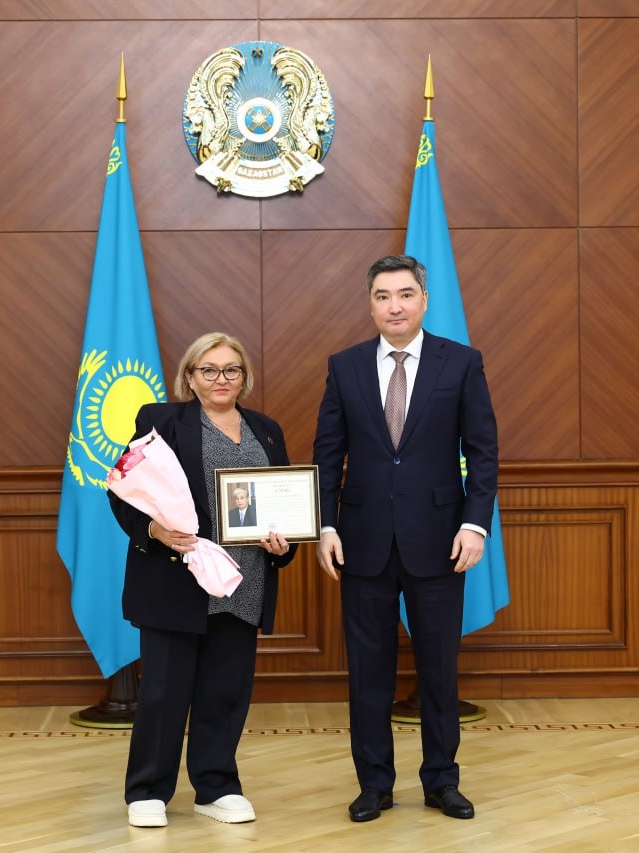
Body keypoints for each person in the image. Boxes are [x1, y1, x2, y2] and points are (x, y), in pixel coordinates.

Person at [312, 255, 498, 823]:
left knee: (439, 670)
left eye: (405, 294)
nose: (394, 306)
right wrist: (325, 525)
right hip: (361, 542)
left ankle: (442, 781)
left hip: (440, 541)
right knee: (368, 673)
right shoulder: (344, 366)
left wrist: (474, 524)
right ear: (370, 305)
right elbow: (328, 454)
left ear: (424, 300)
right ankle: (375, 785)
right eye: (383, 296)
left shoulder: (460, 362)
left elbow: (482, 451)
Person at [108, 331, 297, 829]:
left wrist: (284, 543)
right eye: (208, 370)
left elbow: (282, 500)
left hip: (244, 581)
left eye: (231, 369)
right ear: (189, 377)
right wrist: (153, 531)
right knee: (164, 692)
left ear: (244, 377)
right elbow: (122, 489)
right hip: (178, 579)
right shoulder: (161, 421)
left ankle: (216, 787)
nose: (220, 379)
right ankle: (148, 790)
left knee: (225, 692)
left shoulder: (266, 430)